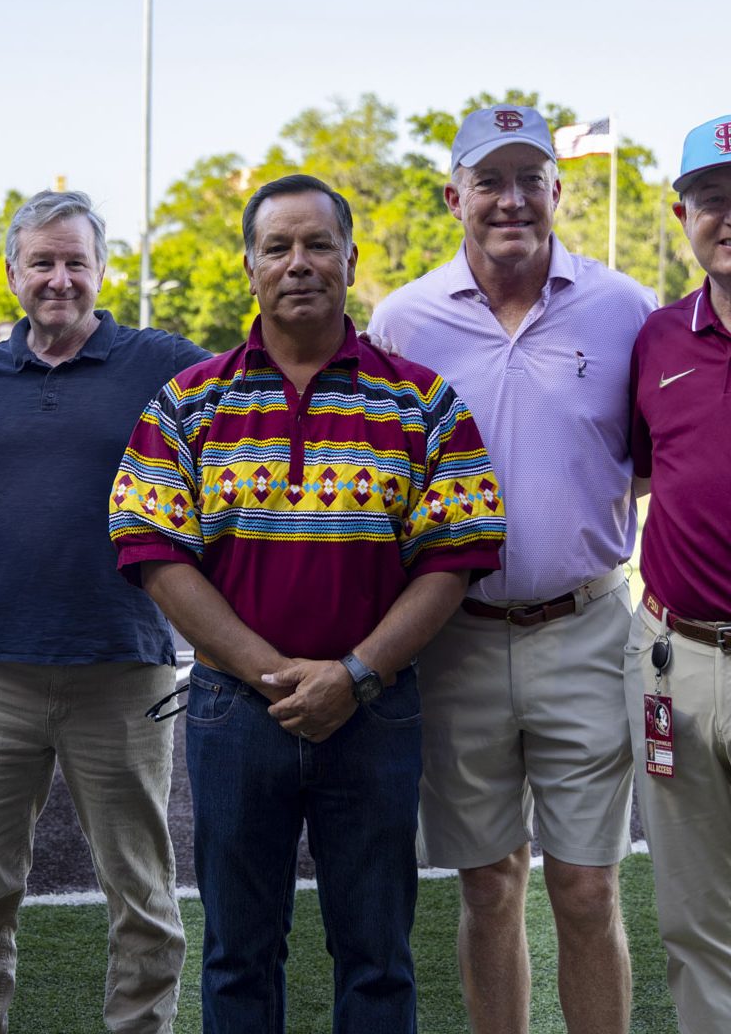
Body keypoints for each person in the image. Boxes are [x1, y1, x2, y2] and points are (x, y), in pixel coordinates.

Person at [109, 174, 504, 1032]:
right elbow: (152, 552)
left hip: (376, 714)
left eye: (318, 244)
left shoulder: (422, 403)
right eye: (278, 247)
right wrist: (278, 676)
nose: (299, 264)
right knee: (239, 957)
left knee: (377, 960)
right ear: (248, 265)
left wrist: (355, 675)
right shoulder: (189, 404)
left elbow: (456, 556)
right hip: (231, 713)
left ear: (351, 261)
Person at [369, 105, 656, 1034]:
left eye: (530, 179)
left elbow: (649, 456)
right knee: (490, 885)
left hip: (584, 627)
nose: (511, 200)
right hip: (454, 638)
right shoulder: (402, 321)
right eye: (489, 181)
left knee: (584, 887)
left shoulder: (621, 307)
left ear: (558, 192)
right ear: (454, 196)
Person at [0, 189, 203, 1033]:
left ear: (102, 271)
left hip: (123, 664)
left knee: (141, 891)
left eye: (76, 261)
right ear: (13, 273)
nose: (60, 278)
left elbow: (252, 405)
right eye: (43, 262)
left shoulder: (160, 361)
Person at [624, 112, 731, 1031]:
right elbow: (641, 470)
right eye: (713, 199)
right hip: (677, 658)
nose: (729, 217)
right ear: (682, 213)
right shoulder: (657, 340)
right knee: (696, 922)